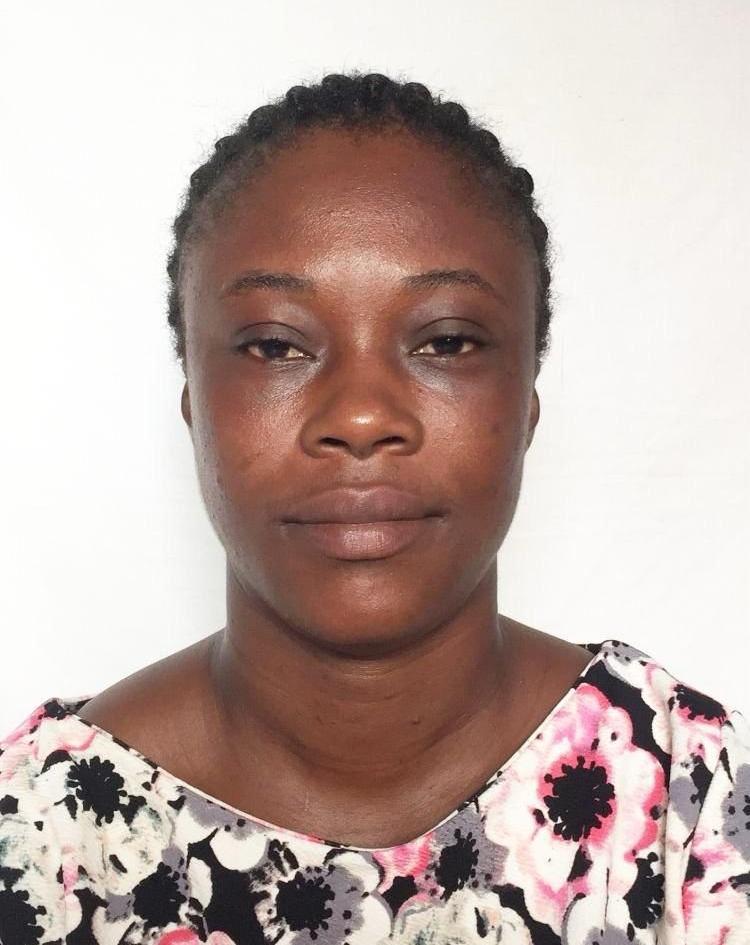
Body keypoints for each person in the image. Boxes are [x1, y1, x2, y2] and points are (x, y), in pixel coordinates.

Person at [1, 72, 748, 945]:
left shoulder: (679, 793)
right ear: (195, 406)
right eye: (276, 344)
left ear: (527, 403)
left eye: (447, 341)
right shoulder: (39, 833)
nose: (361, 417)